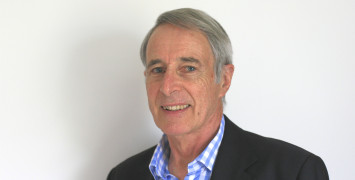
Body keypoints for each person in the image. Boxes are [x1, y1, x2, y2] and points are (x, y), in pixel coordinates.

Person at [107, 8, 329, 180]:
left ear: (224, 79)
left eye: (189, 68)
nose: (168, 87)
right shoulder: (122, 175)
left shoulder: (294, 171)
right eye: (157, 70)